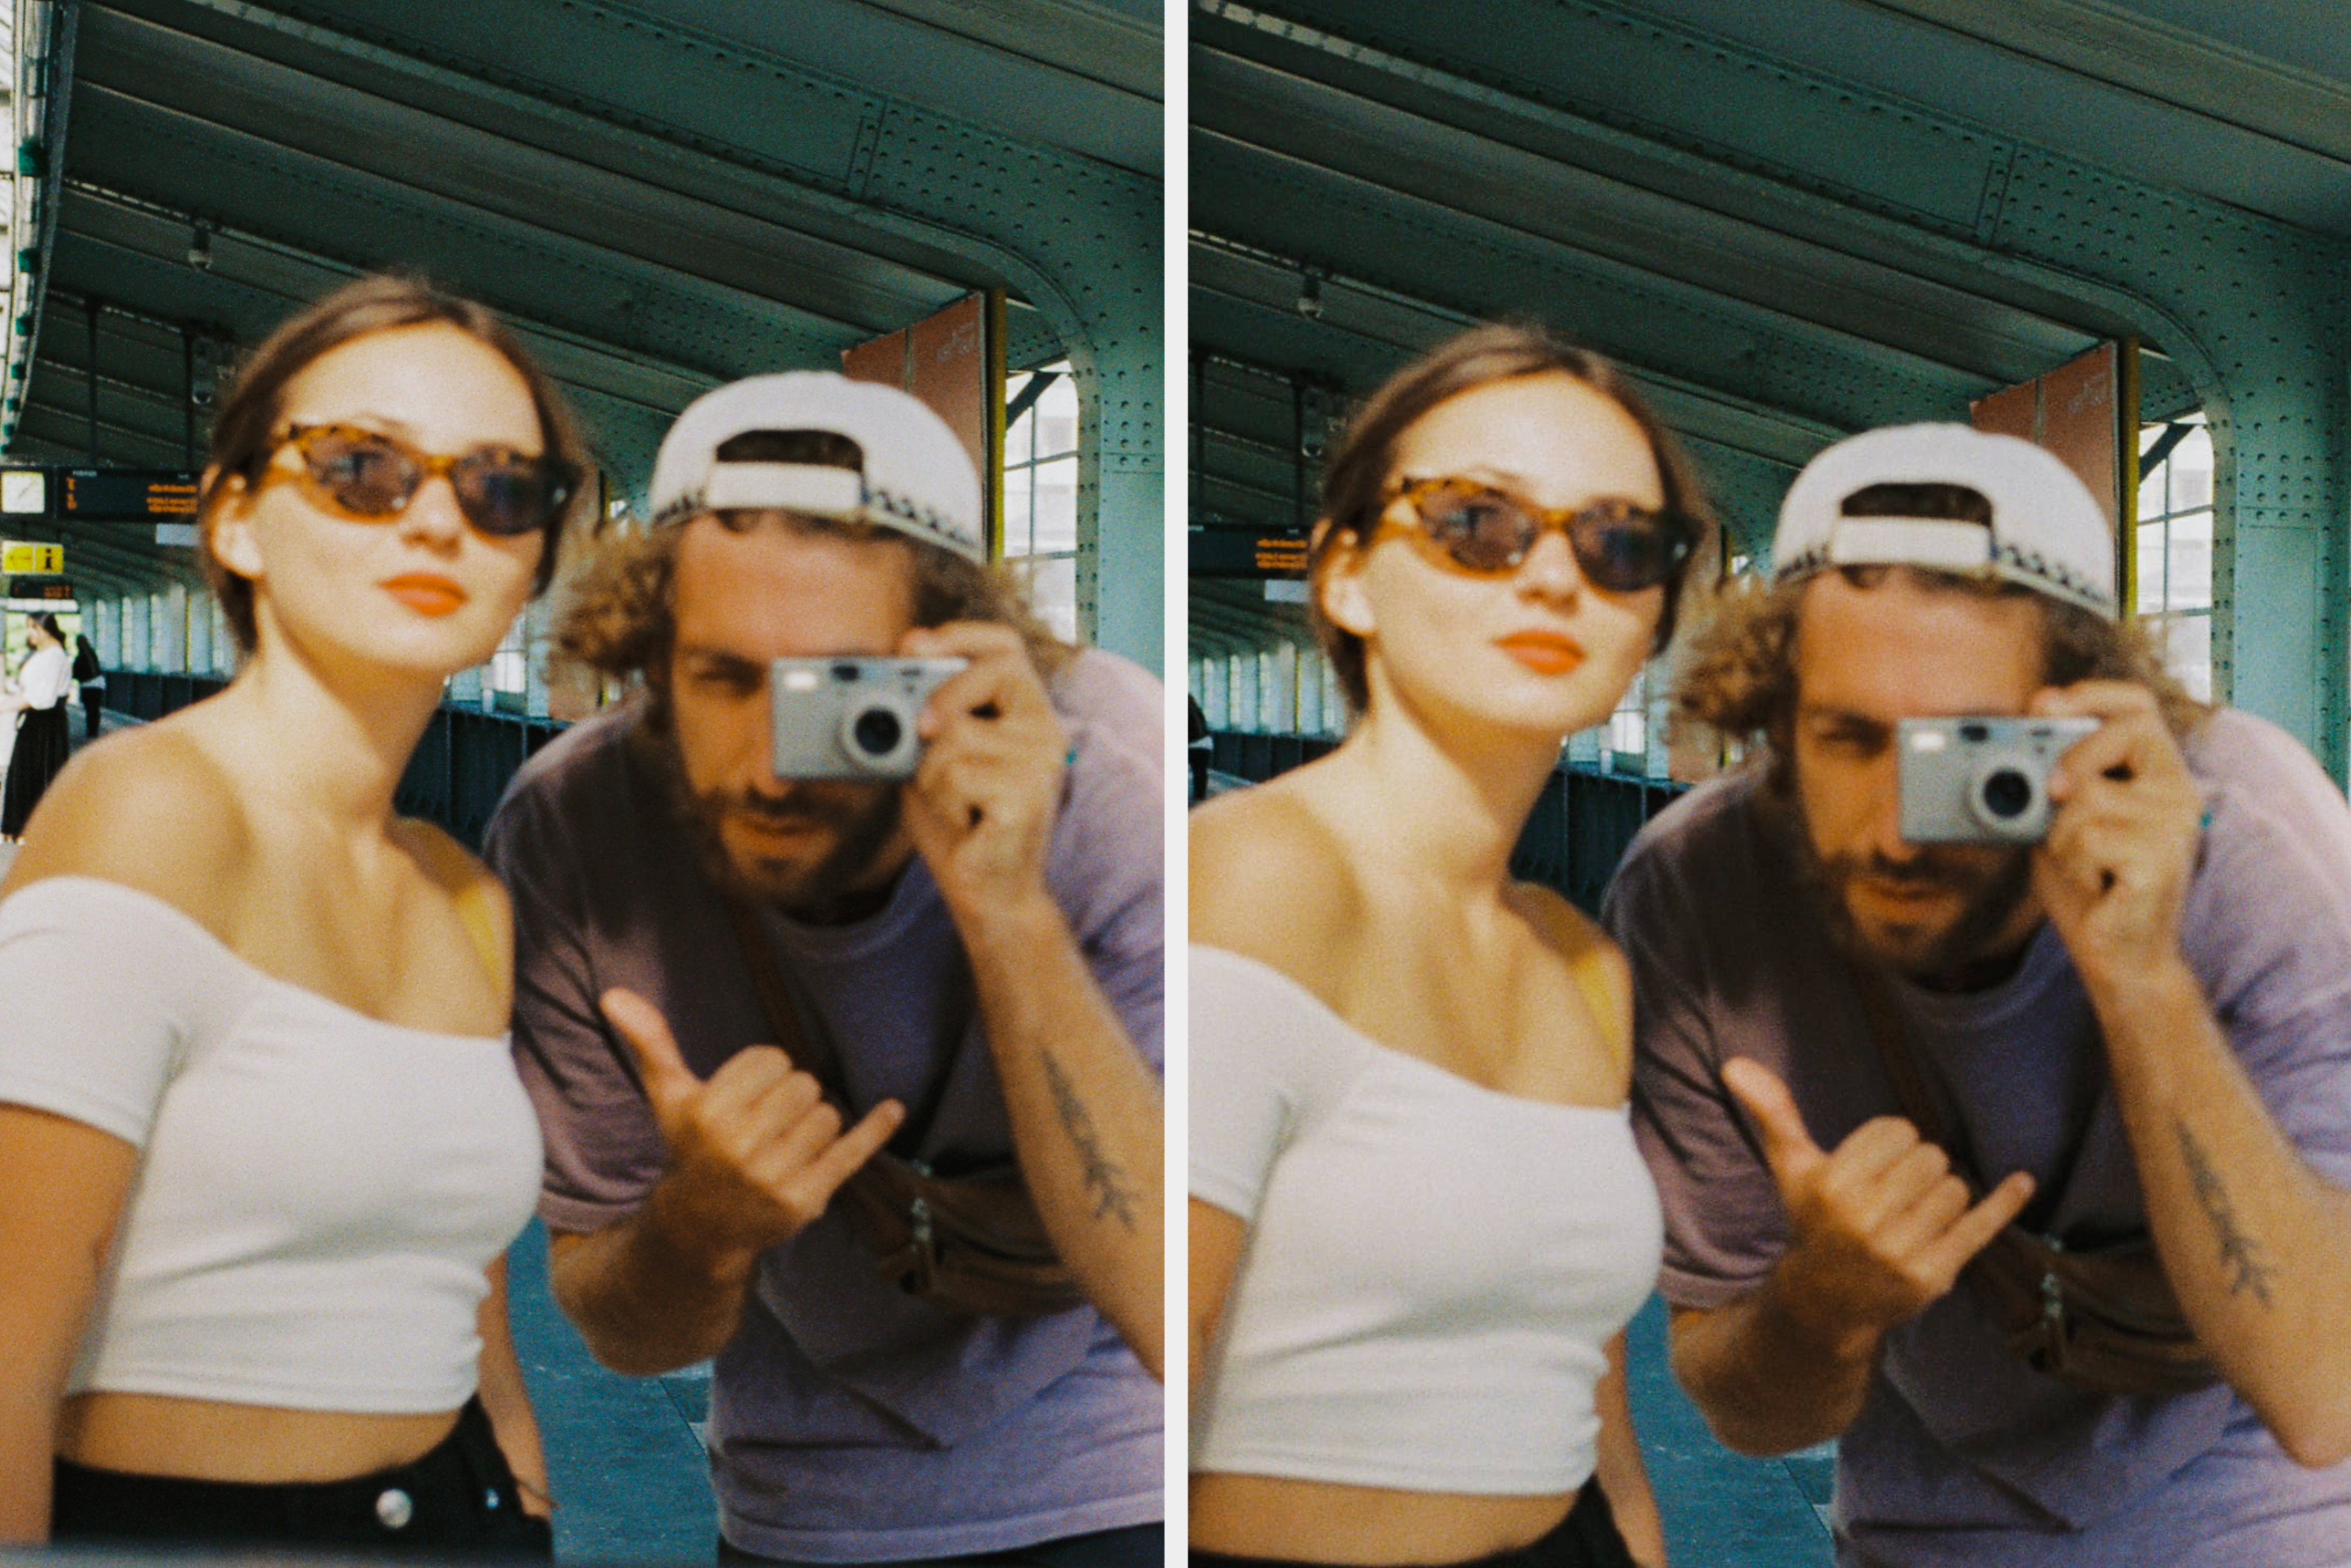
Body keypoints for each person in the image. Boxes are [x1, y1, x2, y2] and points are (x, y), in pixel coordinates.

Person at [1604, 422, 2351, 1566]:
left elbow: (2322, 1391)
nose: (1902, 821)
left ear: (2081, 715)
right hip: (1930, 1519)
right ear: (1769, 722)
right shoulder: (1698, 896)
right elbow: (1754, 1420)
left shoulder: (2238, 838)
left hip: (2257, 1500)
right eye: (1848, 740)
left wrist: (2141, 975)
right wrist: (1824, 1305)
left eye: (1961, 751)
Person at [483, 370, 1165, 1566]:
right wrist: (697, 1229)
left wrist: (1009, 913)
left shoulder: (1095, 773)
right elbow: (623, 1328)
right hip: (805, 1498)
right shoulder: (578, 832)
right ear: (646, 667)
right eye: (721, 679)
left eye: (836, 687)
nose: (771, 767)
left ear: (942, 660)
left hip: (1117, 1467)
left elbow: (1175, 1303)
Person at [0, 273, 589, 1552]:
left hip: (461, 1512)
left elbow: (456, 1285)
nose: (437, 520)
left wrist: (527, 1488)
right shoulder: (147, 815)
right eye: (364, 469)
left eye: (499, 488)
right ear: (237, 524)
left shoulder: (459, 892)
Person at [1190, 323, 1716, 1568]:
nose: (1553, 579)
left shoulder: (1577, 963)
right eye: (1477, 524)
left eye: (1618, 542)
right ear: (1345, 577)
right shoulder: (1263, 883)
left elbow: (1595, 1430)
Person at [1, 611, 74, 839]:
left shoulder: (54, 657)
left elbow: (42, 698)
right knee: (24, 773)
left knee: (35, 775)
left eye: (33, 628)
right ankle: (19, 828)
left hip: (45, 724)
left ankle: (31, 830)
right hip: (36, 722)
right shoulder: (44, 655)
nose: (29, 633)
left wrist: (5, 706)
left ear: (44, 629)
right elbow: (28, 691)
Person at [72, 629, 104, 742]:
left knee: (89, 710)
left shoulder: (79, 658)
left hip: (87, 685)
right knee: (95, 709)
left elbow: (75, 674)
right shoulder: (92, 654)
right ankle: (94, 731)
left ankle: (91, 732)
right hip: (99, 683)